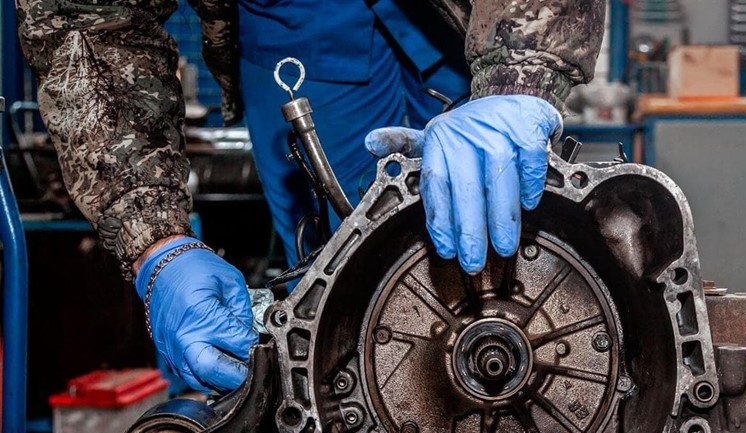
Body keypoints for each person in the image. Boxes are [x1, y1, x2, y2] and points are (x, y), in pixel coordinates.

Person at [17, 0, 605, 393]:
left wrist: (524, 77)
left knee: (510, 230)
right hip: (295, 26)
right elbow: (86, 20)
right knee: (336, 312)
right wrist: (154, 242)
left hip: (470, 18)